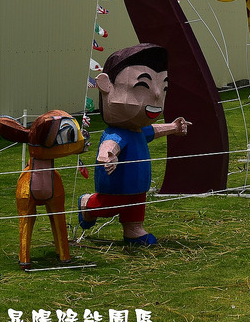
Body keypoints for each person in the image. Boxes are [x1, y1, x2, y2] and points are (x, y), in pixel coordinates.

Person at [77, 43, 191, 246]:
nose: (157, 95)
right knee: (111, 204)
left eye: (163, 88)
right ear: (106, 86)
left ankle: (133, 230)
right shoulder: (118, 132)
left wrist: (173, 127)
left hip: (138, 186)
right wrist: (107, 157)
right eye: (142, 86)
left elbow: (153, 130)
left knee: (136, 204)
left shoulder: (138, 130)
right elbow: (110, 145)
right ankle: (87, 205)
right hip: (117, 185)